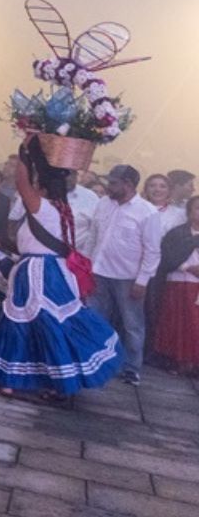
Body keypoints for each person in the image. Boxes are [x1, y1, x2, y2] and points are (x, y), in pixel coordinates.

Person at [0, 137, 122, 398]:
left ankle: (13, 379)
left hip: (37, 272)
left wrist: (24, 149)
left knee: (22, 322)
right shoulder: (64, 209)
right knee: (52, 323)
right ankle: (53, 379)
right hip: (58, 271)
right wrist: (36, 155)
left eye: (36, 184)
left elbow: (21, 181)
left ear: (41, 187)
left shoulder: (41, 206)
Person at [87, 164, 156, 386]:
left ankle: (132, 368)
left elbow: (153, 250)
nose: (109, 186)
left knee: (132, 324)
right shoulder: (103, 203)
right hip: (98, 271)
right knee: (95, 318)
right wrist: (86, 265)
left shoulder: (147, 212)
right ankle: (93, 361)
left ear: (128, 184)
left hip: (128, 277)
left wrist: (143, 280)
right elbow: (93, 235)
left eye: (114, 183)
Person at [148, 196, 199, 375]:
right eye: (197, 209)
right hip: (177, 282)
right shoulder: (177, 233)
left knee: (195, 324)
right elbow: (167, 256)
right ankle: (174, 359)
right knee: (176, 321)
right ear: (189, 212)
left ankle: (193, 361)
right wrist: (187, 267)